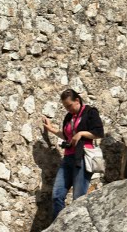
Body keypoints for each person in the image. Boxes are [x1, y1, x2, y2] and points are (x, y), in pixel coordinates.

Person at [42, 88, 104, 218]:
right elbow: (66, 135)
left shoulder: (90, 112)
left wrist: (81, 134)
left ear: (77, 100)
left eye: (69, 105)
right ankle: (58, 229)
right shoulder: (69, 117)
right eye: (65, 107)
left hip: (82, 158)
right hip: (68, 158)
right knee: (57, 195)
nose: (68, 109)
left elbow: (98, 133)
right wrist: (51, 129)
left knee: (78, 198)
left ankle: (78, 230)